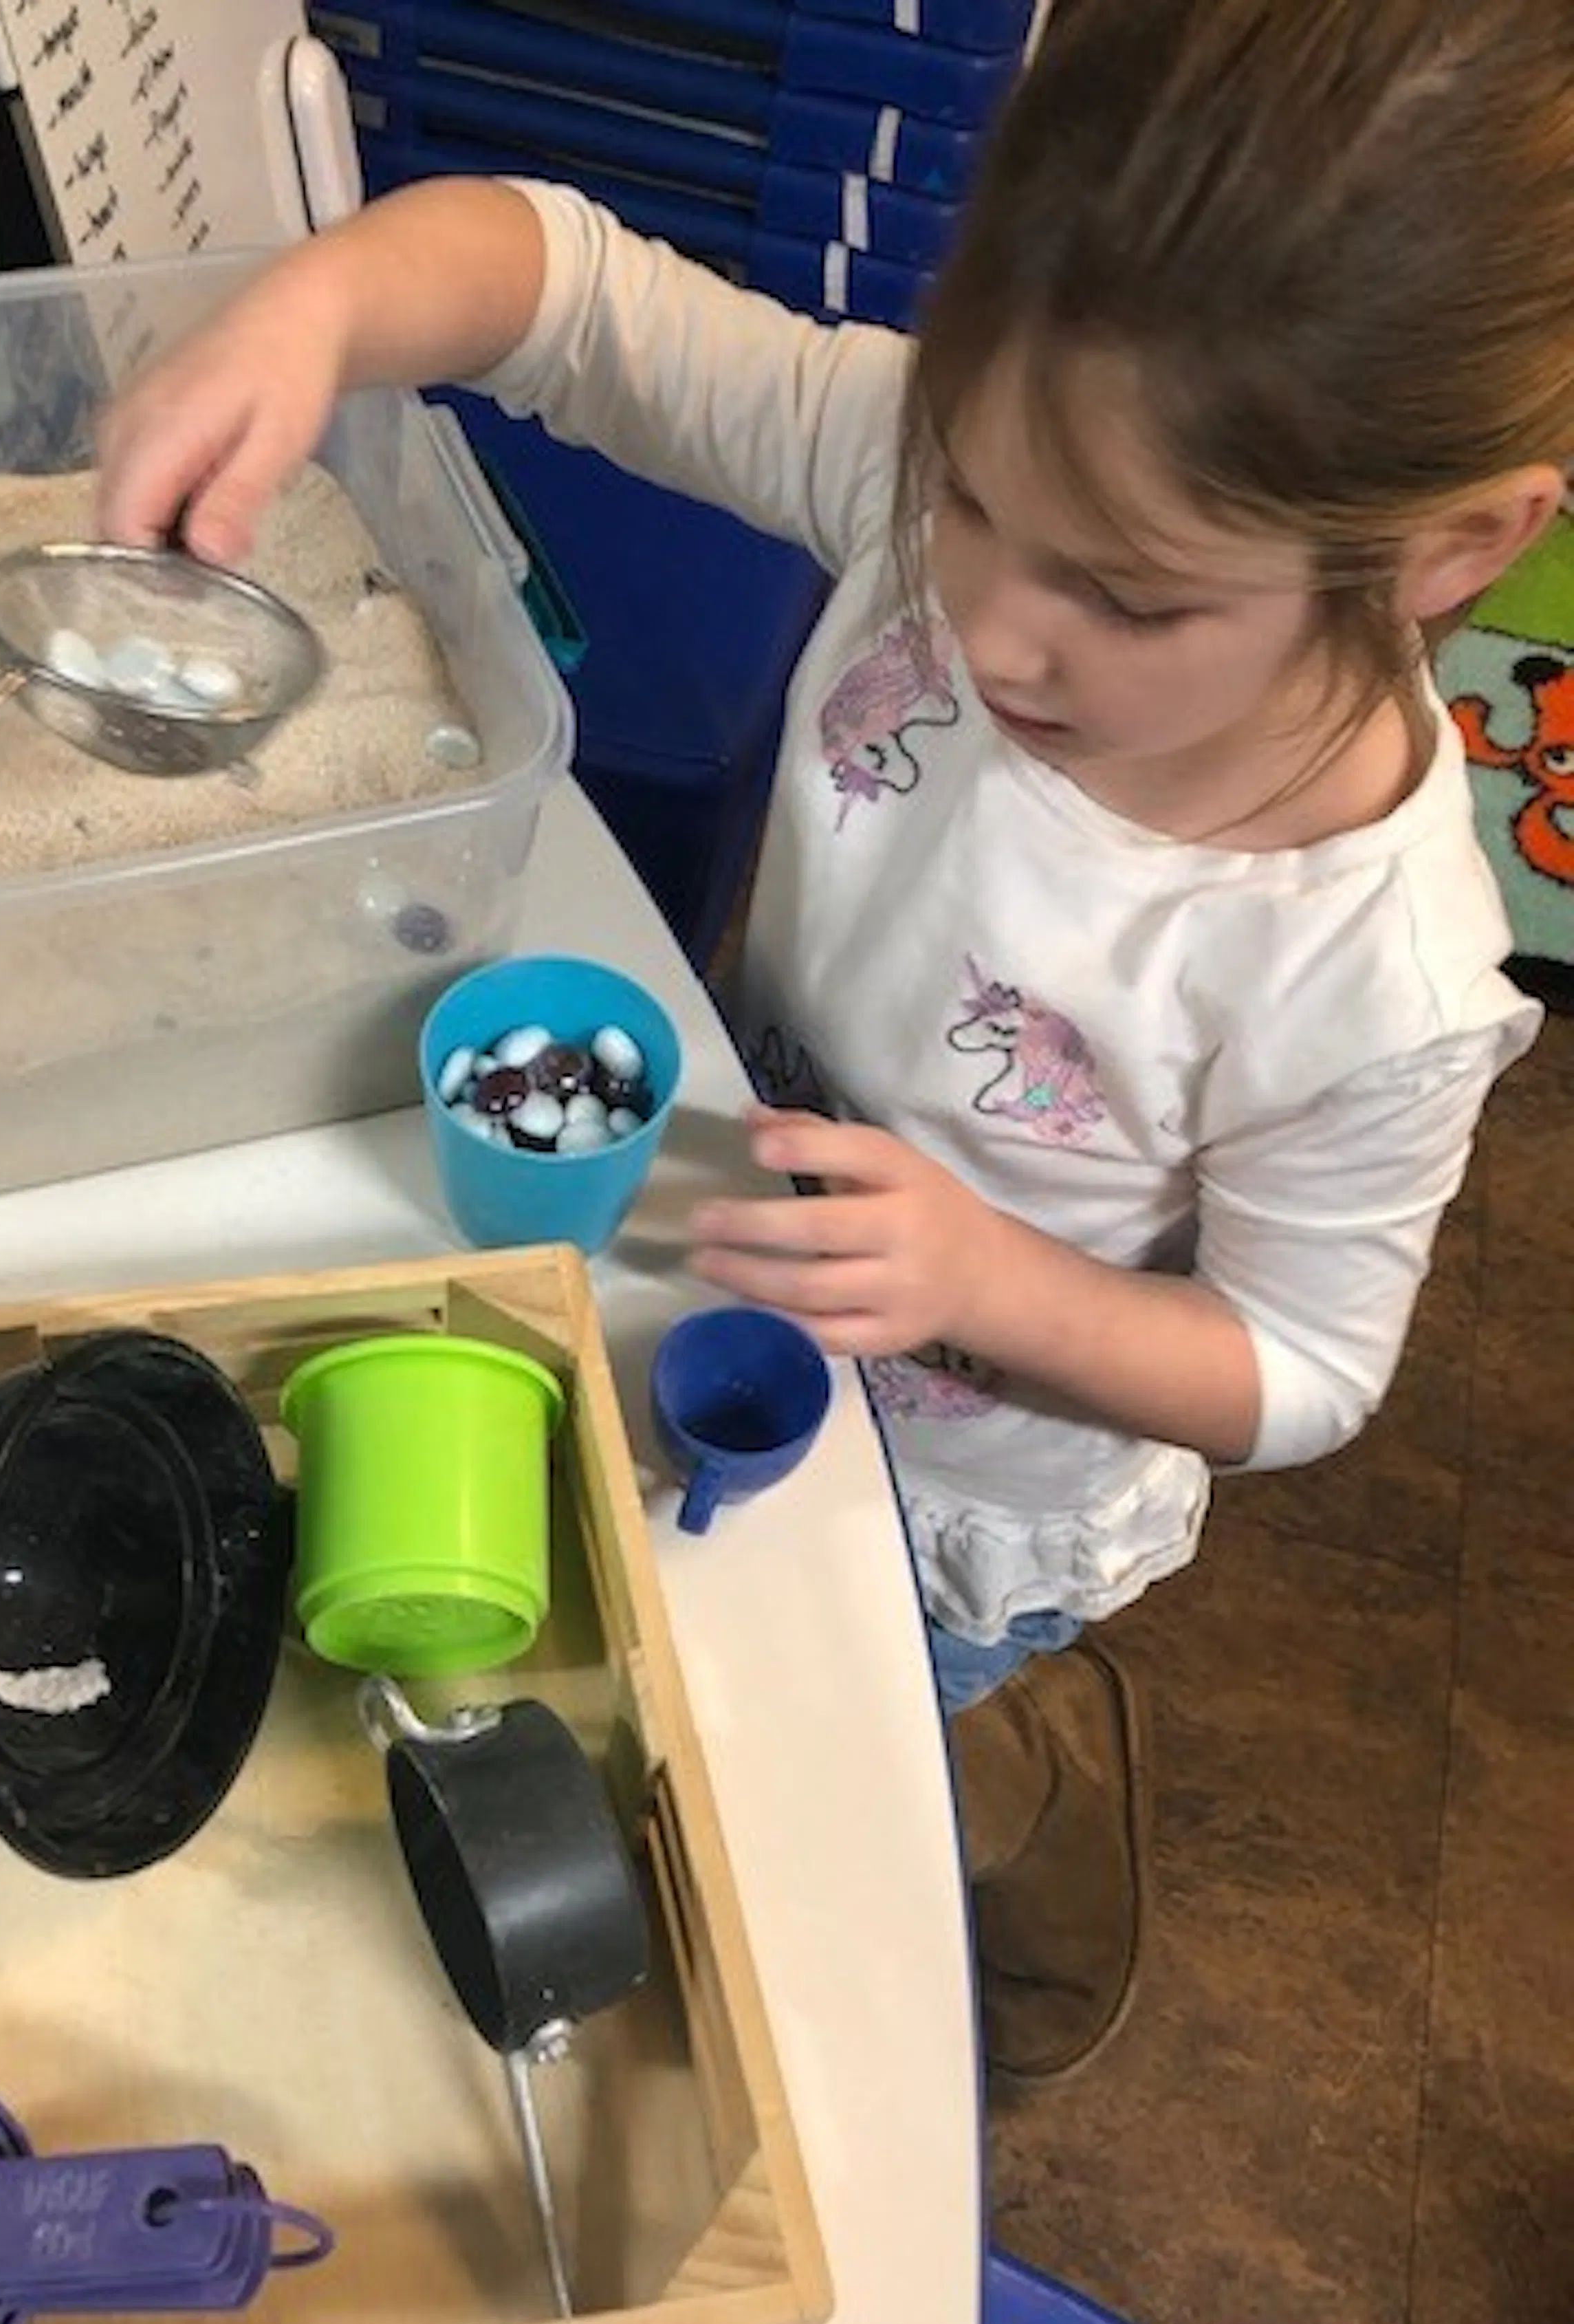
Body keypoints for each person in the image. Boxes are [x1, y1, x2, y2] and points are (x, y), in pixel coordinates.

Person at [96, 0, 1574, 2083]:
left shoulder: (1375, 977)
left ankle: (1020, 1799)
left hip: (970, 1490)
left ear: (1448, 555)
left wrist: (994, 1284)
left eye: (1128, 598)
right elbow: (562, 291)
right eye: (965, 493)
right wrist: (311, 309)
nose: (989, 619)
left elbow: (1307, 1371)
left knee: (841, 1745)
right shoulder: (962, 474)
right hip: (736, 1255)